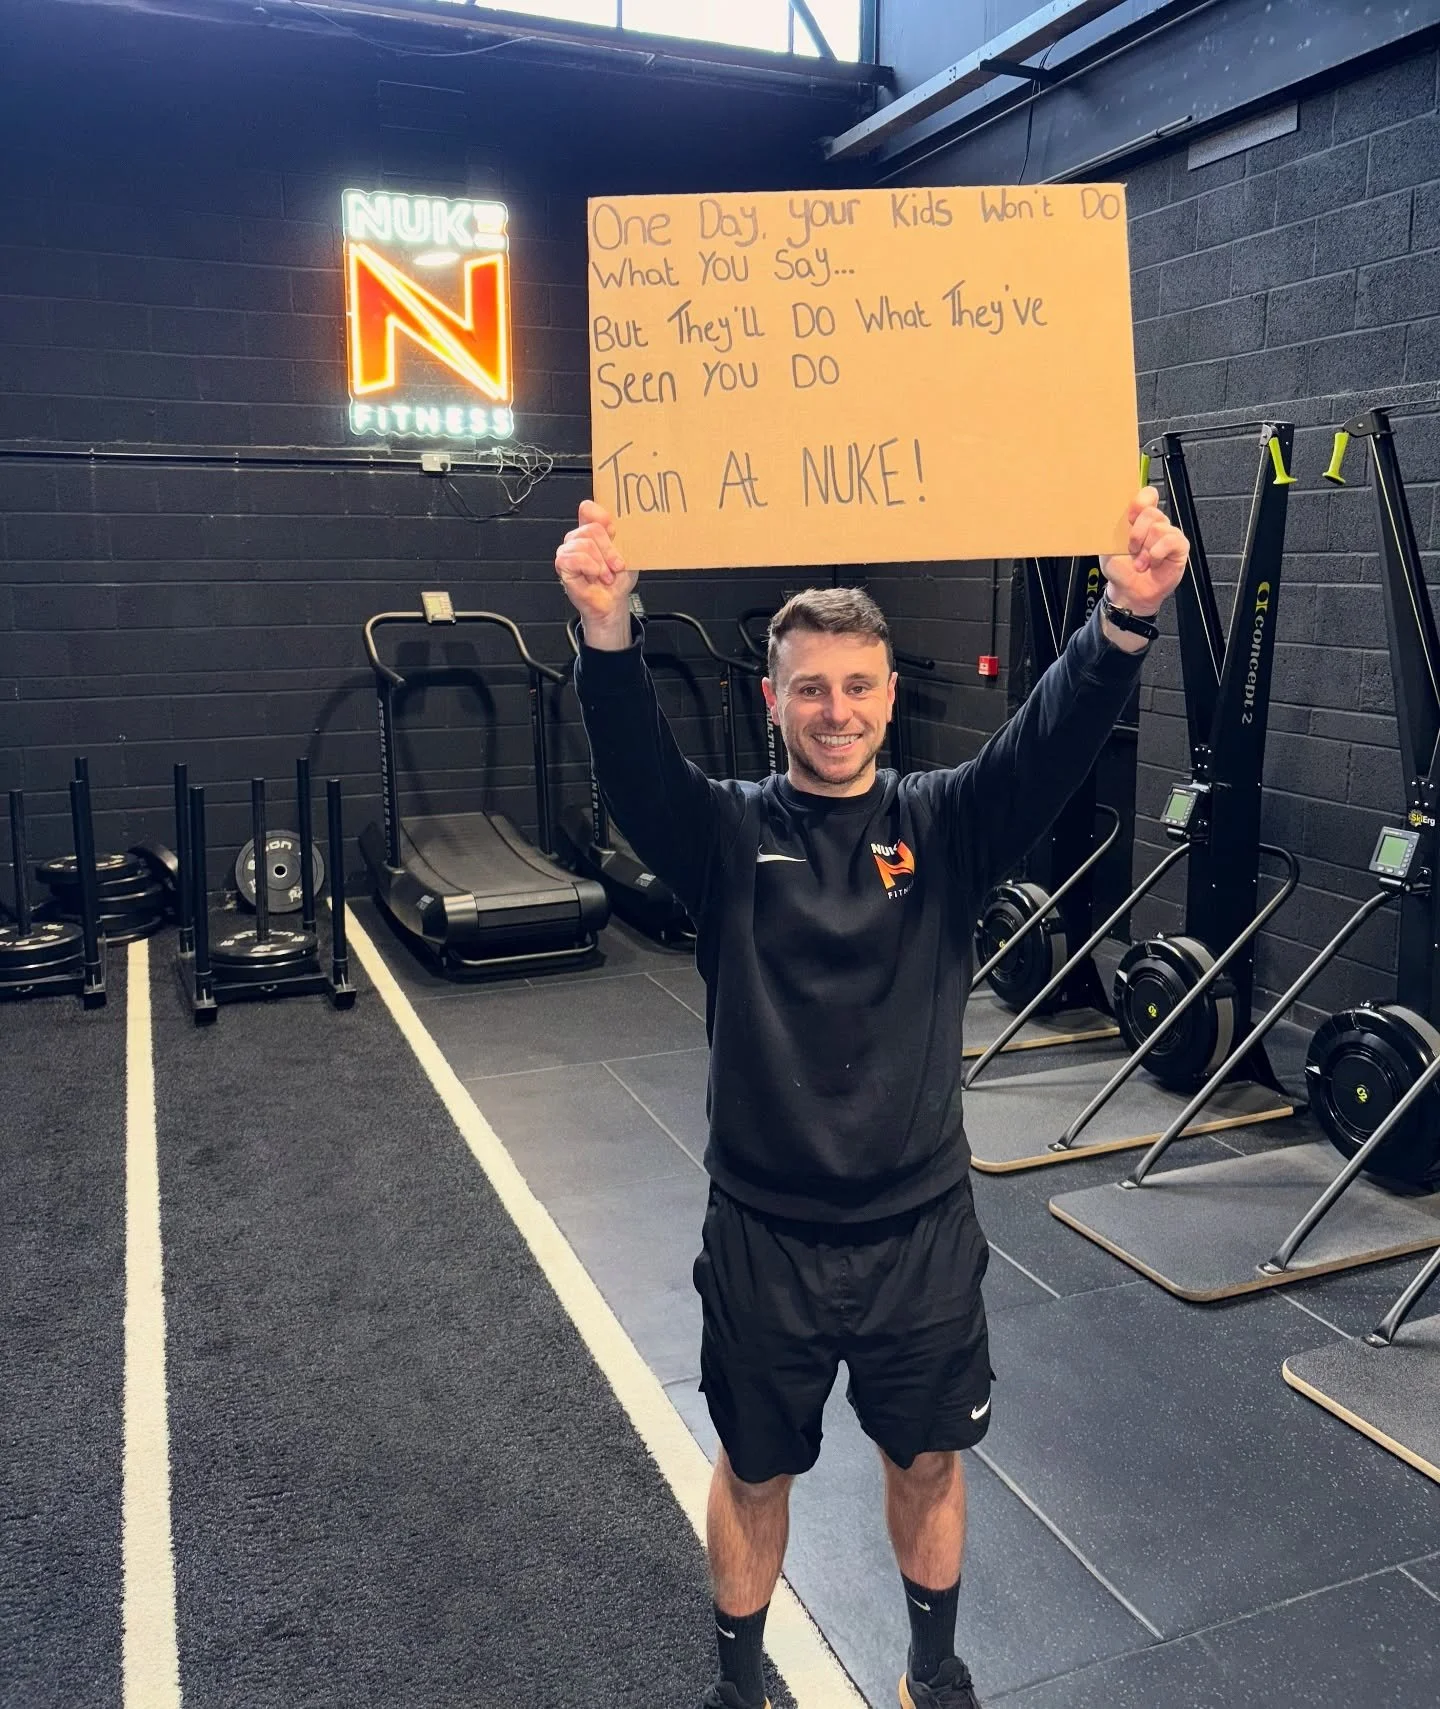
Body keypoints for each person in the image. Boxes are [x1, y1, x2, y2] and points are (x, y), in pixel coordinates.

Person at [554, 492, 1188, 1709]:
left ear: (891, 696)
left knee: (930, 1458)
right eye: (810, 688)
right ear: (772, 698)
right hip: (766, 1233)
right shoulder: (725, 833)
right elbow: (634, 770)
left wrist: (1124, 619)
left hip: (918, 1230)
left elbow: (1047, 744)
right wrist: (606, 630)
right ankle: (739, 1688)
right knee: (754, 1471)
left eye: (857, 686)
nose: (835, 710)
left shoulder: (943, 823)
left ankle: (932, 1672)